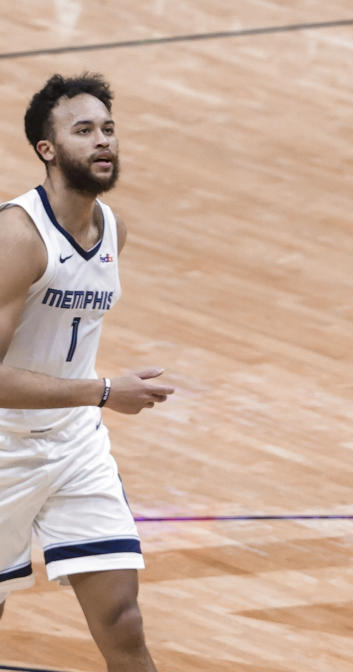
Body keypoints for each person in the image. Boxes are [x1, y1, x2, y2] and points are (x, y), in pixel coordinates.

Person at [0, 73, 174, 672]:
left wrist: (94, 398)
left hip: (73, 444)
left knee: (123, 620)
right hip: (2, 447)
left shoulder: (112, 230)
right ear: (47, 150)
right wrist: (104, 391)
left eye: (108, 129)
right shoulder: (18, 236)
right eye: (83, 131)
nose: (103, 141)